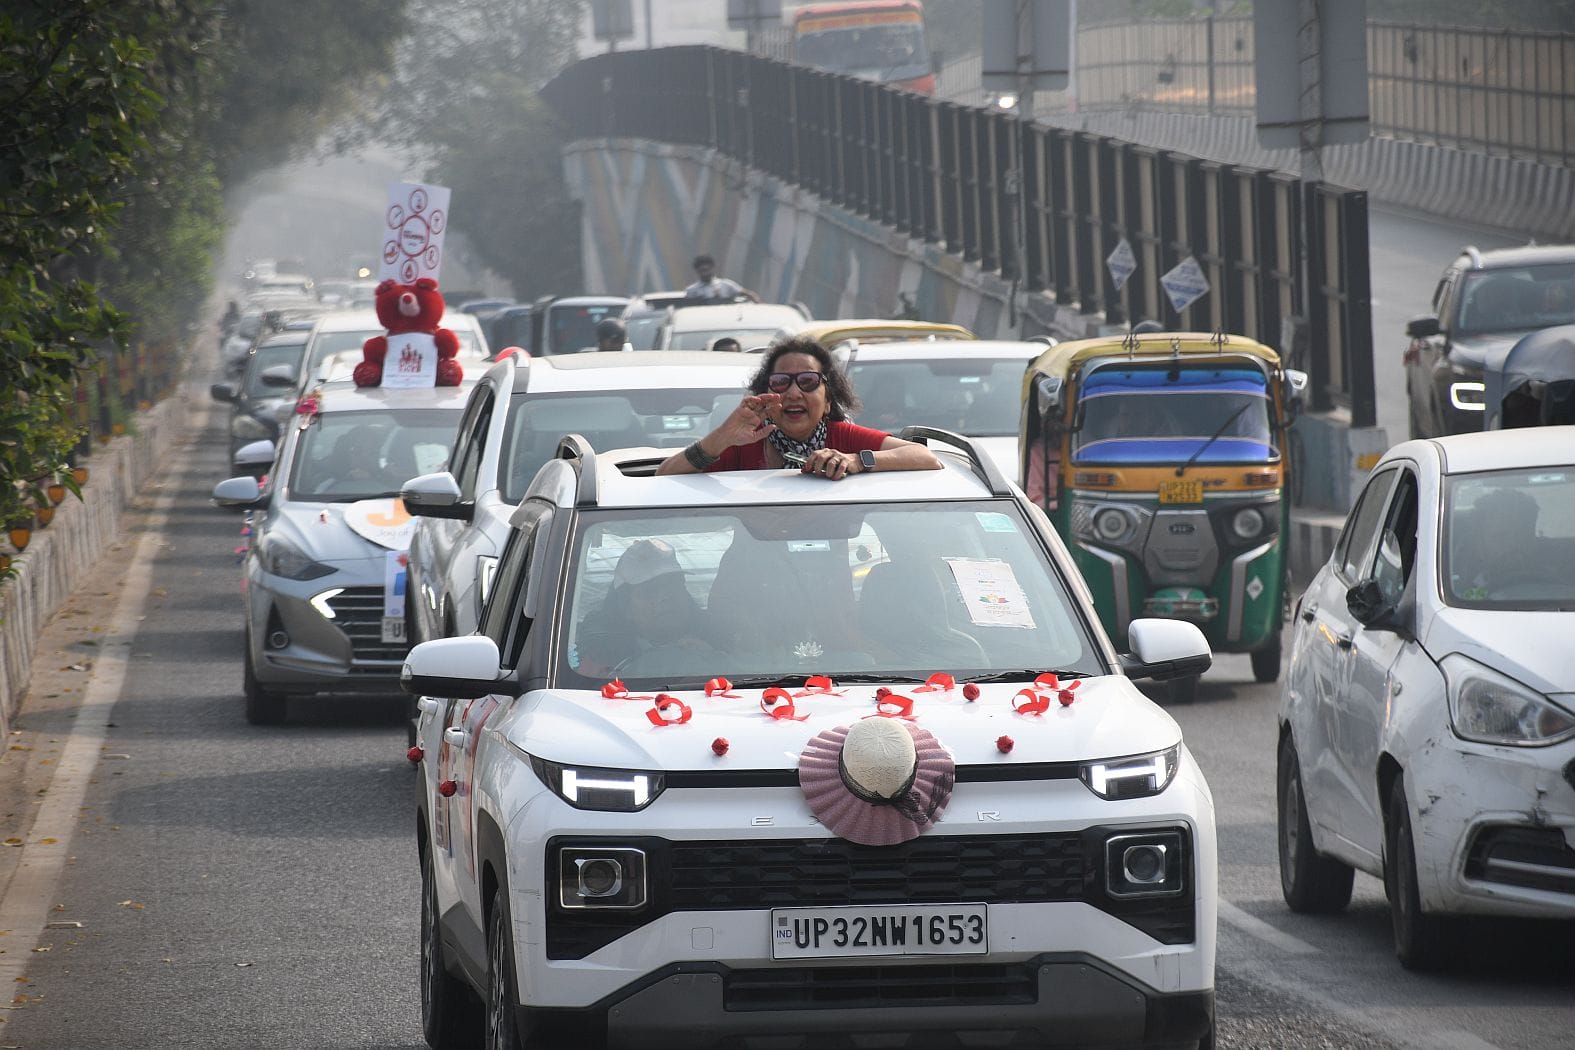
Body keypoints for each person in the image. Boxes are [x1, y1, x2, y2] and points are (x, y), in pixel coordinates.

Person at [657, 336, 941, 479]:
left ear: (828, 399)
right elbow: (664, 477)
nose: (793, 393)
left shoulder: (843, 439)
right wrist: (722, 436)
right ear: (765, 397)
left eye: (807, 381)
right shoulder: (746, 442)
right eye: (781, 382)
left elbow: (926, 458)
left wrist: (856, 461)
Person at [575, 539, 713, 675]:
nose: (665, 596)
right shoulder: (599, 657)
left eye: (674, 585)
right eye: (650, 590)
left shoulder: (718, 636)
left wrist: (714, 659)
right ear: (626, 607)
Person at [684, 254, 758, 302]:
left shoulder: (726, 284)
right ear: (697, 271)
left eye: (707, 269)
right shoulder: (692, 290)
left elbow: (749, 294)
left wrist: (759, 304)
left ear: (712, 268)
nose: (705, 272)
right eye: (702, 270)